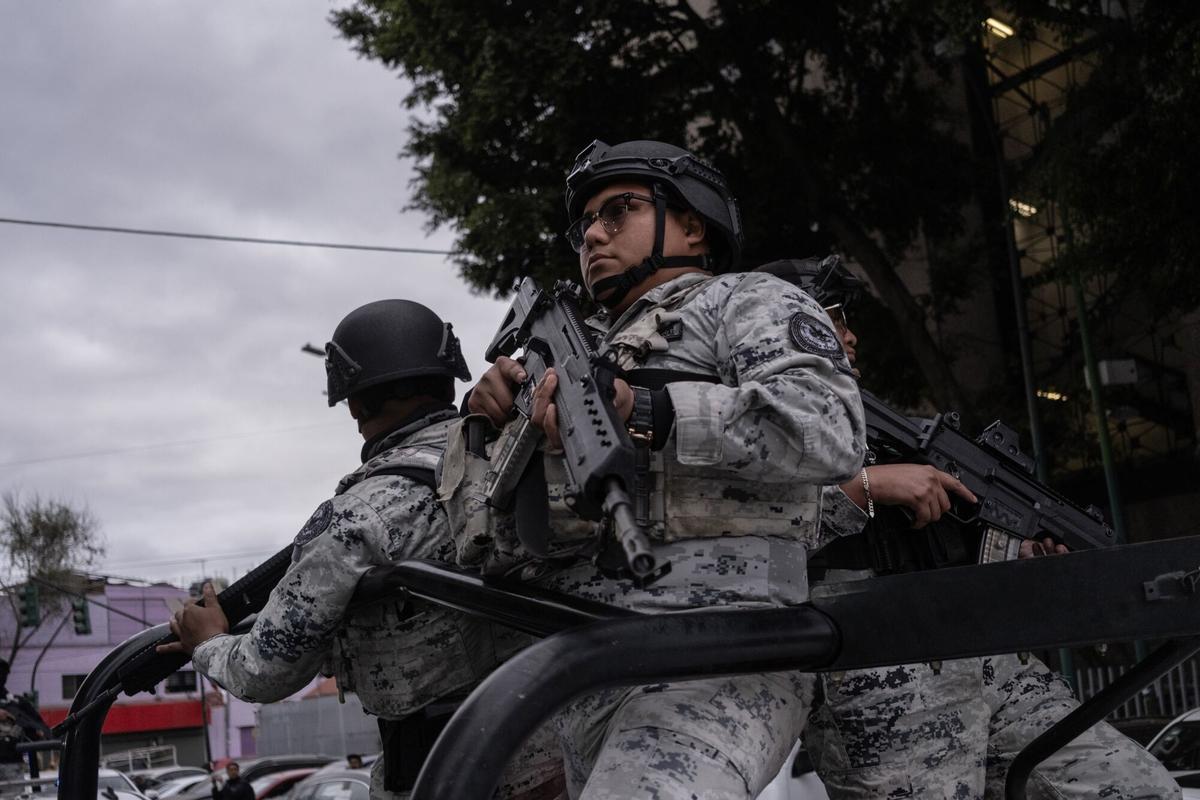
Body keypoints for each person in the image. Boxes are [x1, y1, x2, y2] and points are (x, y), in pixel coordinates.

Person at [464, 140, 866, 799]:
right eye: (584, 223)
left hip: (717, 650)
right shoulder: (577, 347)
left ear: (691, 222)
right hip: (587, 669)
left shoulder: (744, 300)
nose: (593, 233)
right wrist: (489, 420)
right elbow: (494, 538)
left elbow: (832, 428)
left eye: (618, 210)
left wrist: (654, 407)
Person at [760, 255, 1179, 800]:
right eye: (836, 318)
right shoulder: (753, 424)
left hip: (987, 659)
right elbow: (738, 541)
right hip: (884, 677)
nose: (851, 335)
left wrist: (1019, 563)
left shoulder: (886, 427)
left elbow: (944, 547)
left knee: (1140, 790)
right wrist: (869, 485)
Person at [160, 300, 564, 800]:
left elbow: (262, 672)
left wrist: (207, 643)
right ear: (449, 378)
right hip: (558, 760)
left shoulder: (357, 515)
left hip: (446, 775)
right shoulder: (517, 456)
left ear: (354, 405)